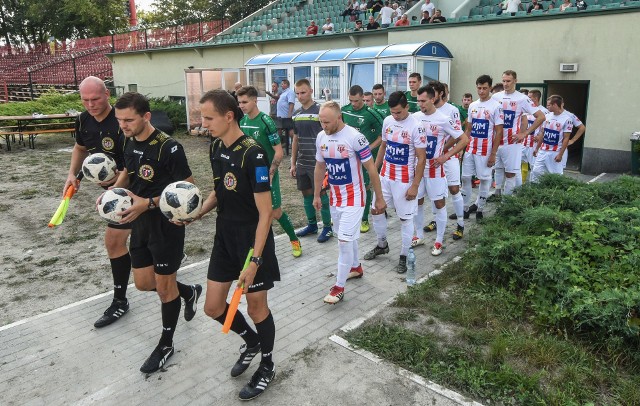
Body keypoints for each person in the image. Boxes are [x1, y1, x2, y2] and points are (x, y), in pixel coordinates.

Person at [196, 89, 279, 401]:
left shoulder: (254, 154)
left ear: (229, 116)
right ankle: (252, 341)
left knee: (257, 307)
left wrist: (255, 261)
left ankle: (267, 365)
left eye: (208, 117)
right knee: (213, 307)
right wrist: (198, 212)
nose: (203, 123)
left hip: (251, 241)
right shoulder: (216, 147)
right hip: (224, 237)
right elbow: (219, 191)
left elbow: (266, 213)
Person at [112, 92, 202, 374]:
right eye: (119, 120)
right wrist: (114, 192)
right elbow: (129, 171)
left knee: (164, 289)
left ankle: (165, 344)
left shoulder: (169, 148)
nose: (123, 125)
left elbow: (188, 189)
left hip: (166, 227)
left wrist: (148, 203)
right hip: (139, 223)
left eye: (129, 120)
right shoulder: (128, 140)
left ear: (146, 117)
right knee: (142, 283)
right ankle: (188, 292)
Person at [63, 76, 132, 328]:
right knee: (115, 243)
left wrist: (114, 189)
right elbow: (80, 148)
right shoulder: (82, 120)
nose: (90, 104)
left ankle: (185, 290)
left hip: (137, 187)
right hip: (116, 192)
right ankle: (120, 300)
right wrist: (73, 173)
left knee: (149, 255)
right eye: (85, 99)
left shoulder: (122, 121)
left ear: (107, 94)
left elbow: (131, 162)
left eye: (95, 98)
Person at [314, 101, 386, 304]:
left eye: (327, 122)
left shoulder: (355, 137)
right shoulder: (321, 137)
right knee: (348, 237)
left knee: (344, 241)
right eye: (321, 122)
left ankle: (339, 287)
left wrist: (379, 198)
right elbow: (320, 167)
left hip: (354, 198)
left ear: (339, 118)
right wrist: (317, 194)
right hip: (334, 199)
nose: (324, 126)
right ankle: (355, 267)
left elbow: (371, 169)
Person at [364, 91, 426, 274]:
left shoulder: (417, 126)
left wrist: (415, 185)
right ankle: (382, 245)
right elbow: (384, 145)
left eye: (398, 112)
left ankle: (404, 255)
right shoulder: (387, 121)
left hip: (404, 180)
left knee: (405, 218)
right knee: (376, 209)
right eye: (393, 112)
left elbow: (421, 159)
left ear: (407, 107)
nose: (395, 116)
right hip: (385, 177)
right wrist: (374, 170)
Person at [237, 86, 302, 258]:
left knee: (275, 212)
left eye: (244, 102)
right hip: (249, 176)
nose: (241, 106)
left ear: (254, 101)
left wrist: (270, 174)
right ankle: (258, 250)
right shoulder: (242, 122)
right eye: (239, 103)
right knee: (254, 212)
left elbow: (279, 152)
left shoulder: (266, 121)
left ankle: (294, 239)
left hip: (266, 173)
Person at [413, 85, 468, 255]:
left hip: (435, 170)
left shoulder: (443, 118)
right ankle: (419, 235)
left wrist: (446, 155)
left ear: (432, 99)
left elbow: (464, 139)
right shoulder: (414, 118)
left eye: (423, 101)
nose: (420, 104)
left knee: (439, 203)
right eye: (418, 101)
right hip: (417, 169)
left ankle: (438, 241)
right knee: (417, 201)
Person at [291, 79, 334, 243]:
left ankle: (328, 228)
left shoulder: (320, 112)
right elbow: (295, 139)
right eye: (297, 93)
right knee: (306, 193)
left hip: (319, 164)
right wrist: (293, 163)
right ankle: (312, 225)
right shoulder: (295, 114)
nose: (300, 96)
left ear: (311, 91)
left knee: (321, 194)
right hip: (302, 162)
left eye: (303, 92)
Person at [491, 70, 545, 198]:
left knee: (510, 174)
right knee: (497, 169)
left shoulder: (522, 99)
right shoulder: (495, 97)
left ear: (515, 81)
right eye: (503, 81)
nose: (505, 84)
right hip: (496, 142)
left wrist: (524, 134)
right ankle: (497, 194)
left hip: (512, 143)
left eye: (508, 81)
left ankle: (506, 202)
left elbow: (541, 117)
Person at [341, 85, 385, 233]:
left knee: (366, 186)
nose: (354, 104)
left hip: (366, 157)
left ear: (362, 98)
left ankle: (365, 219)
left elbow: (383, 136)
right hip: (347, 157)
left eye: (357, 101)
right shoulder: (344, 110)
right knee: (348, 185)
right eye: (351, 100)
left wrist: (368, 149)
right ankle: (350, 214)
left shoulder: (371, 113)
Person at [461, 75, 504, 221]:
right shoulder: (472, 105)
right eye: (479, 88)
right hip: (471, 149)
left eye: (485, 88)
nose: (481, 91)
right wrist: (463, 147)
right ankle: (465, 209)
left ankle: (480, 209)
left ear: (490, 88)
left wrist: (493, 154)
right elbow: (469, 129)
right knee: (465, 178)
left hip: (486, 151)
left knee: (484, 180)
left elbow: (499, 131)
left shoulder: (496, 106)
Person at [530, 95, 572, 182]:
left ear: (555, 105)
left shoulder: (567, 119)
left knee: (555, 177)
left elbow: (566, 138)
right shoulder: (547, 116)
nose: (547, 106)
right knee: (536, 172)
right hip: (542, 151)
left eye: (549, 105)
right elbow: (543, 133)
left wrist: (560, 154)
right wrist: (537, 148)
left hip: (555, 152)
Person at [522, 90, 549, 182]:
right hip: (523, 142)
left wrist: (540, 136)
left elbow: (546, 128)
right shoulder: (525, 109)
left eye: (530, 97)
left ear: (536, 98)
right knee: (520, 164)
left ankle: (533, 187)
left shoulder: (544, 112)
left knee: (534, 167)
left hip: (534, 144)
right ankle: (521, 184)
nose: (527, 99)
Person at [276, 79, 296, 156]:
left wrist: (289, 114)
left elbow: (291, 103)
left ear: (287, 84)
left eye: (283, 84)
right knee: (278, 131)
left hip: (287, 117)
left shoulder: (290, 92)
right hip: (281, 117)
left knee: (291, 132)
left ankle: (295, 147)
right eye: (281, 84)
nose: (281, 85)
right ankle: (279, 148)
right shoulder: (283, 93)